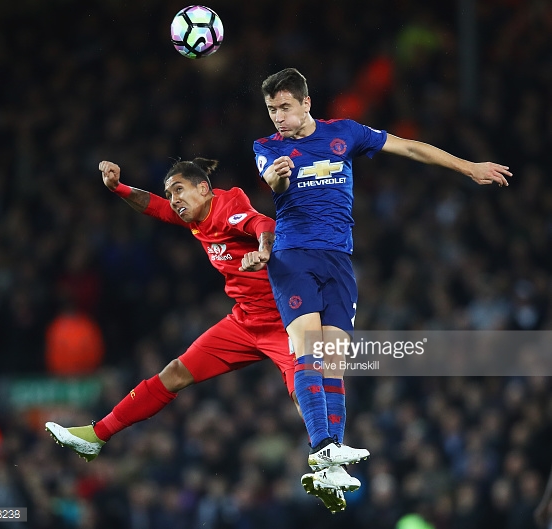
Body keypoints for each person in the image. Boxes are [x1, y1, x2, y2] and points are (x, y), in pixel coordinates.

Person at [248, 67, 512, 502]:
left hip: (338, 260)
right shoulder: (267, 148)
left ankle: (330, 458)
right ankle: (322, 449)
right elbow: (270, 180)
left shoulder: (346, 133)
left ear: (306, 104)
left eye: (285, 107)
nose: (278, 117)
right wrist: (276, 178)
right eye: (272, 109)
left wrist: (468, 168)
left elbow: (408, 147)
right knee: (309, 351)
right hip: (293, 257)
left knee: (334, 362)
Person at [45, 157, 349, 513]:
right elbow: (154, 207)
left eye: (179, 190)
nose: (173, 199)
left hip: (284, 322)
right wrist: (118, 188)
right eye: (170, 192)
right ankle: (96, 437)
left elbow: (263, 222)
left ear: (203, 189)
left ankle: (330, 469)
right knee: (174, 373)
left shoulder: (225, 206)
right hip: (243, 322)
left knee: (304, 389)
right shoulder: (195, 216)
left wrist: (263, 252)